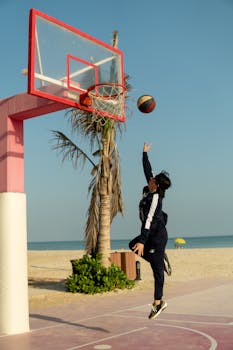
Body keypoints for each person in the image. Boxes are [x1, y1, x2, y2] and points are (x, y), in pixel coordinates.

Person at [129, 142, 171, 319]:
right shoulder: (151, 185)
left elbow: (148, 222)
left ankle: (158, 303)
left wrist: (142, 240)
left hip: (157, 236)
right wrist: (144, 153)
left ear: (158, 186)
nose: (150, 179)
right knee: (132, 245)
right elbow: (147, 170)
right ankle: (158, 257)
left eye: (153, 180)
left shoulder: (155, 199)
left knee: (156, 270)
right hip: (152, 235)